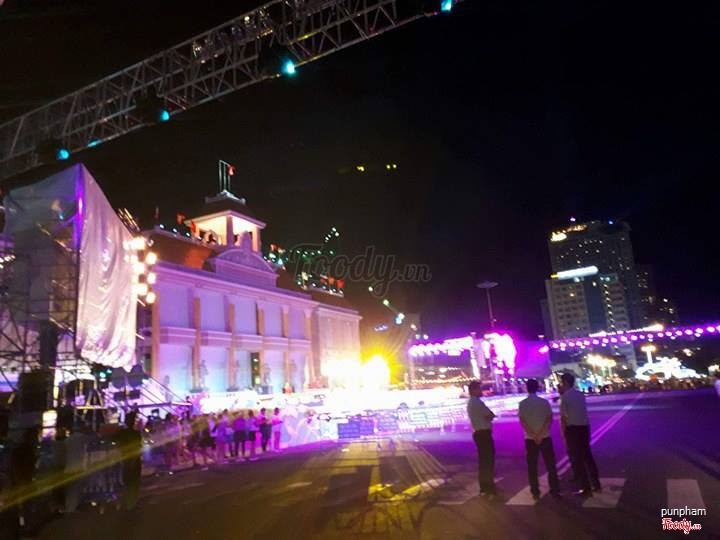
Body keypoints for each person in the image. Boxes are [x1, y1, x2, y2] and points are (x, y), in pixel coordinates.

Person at [518, 379, 561, 501]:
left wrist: (533, 435)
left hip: (530, 439)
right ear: (537, 388)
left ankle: (535, 491)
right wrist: (541, 434)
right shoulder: (544, 402)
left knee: (532, 466)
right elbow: (549, 419)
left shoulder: (523, 404)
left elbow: (522, 421)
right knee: (550, 465)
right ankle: (555, 490)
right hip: (545, 437)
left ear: (527, 388)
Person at [560, 372, 601, 497]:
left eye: (562, 382)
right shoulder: (580, 395)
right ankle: (596, 483)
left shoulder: (565, 397)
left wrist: (563, 434)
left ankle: (586, 487)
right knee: (587, 456)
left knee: (578, 458)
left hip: (573, 429)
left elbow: (564, 417)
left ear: (565, 383)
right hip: (584, 427)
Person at [466, 380, 497, 499]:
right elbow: (490, 415)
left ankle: (484, 488)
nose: (481, 391)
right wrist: (490, 416)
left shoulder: (471, 403)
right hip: (484, 434)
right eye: (479, 389)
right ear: (474, 390)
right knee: (488, 462)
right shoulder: (477, 402)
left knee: (483, 462)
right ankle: (489, 489)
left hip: (478, 433)